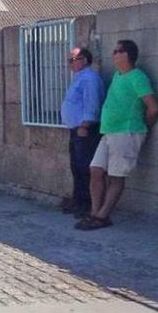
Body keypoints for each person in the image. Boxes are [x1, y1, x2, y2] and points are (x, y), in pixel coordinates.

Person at [76, 40, 158, 230]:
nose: (113, 54)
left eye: (118, 51)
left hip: (126, 133)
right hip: (109, 132)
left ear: (127, 55)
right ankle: (94, 212)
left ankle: (102, 216)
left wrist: (141, 127)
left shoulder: (137, 77)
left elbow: (153, 107)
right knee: (95, 170)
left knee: (116, 176)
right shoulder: (118, 76)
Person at [60, 47, 104, 218]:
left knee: (85, 168)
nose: (70, 63)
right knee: (76, 167)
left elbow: (92, 103)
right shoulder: (80, 78)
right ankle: (78, 201)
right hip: (76, 129)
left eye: (73, 59)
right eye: (69, 60)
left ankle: (87, 205)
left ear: (84, 60)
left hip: (85, 130)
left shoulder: (90, 78)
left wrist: (85, 125)